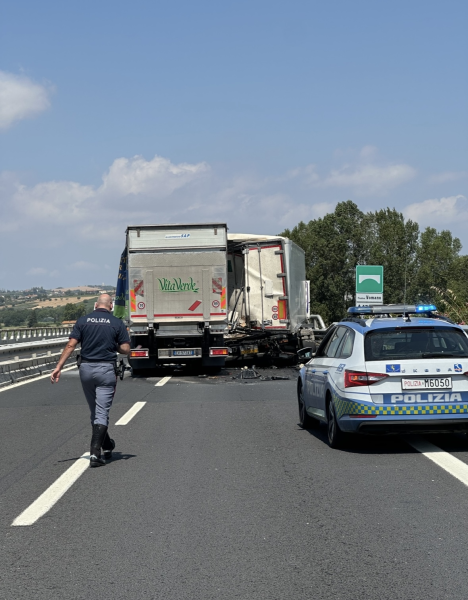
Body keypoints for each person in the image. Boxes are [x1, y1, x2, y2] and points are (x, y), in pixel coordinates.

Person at [51, 294, 130, 468]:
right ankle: (95, 454)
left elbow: (71, 345)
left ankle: (107, 445)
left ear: (95, 305)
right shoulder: (117, 323)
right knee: (101, 412)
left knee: (95, 411)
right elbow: (125, 349)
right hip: (106, 370)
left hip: (86, 369)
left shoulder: (83, 321)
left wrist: (59, 367)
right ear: (110, 305)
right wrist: (114, 344)